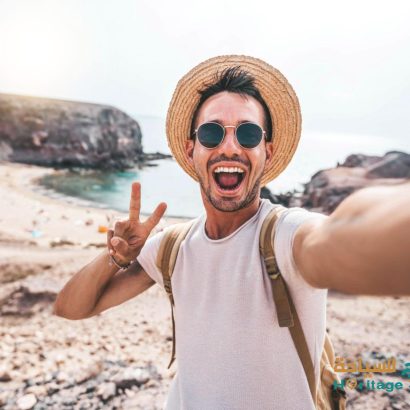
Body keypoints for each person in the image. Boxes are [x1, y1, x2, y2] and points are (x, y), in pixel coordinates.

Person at [53, 55, 410, 410]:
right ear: (192, 149)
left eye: (248, 133)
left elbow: (339, 237)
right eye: (211, 132)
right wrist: (115, 257)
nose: (229, 147)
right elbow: (71, 307)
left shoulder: (285, 236)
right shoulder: (171, 249)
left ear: (266, 153)